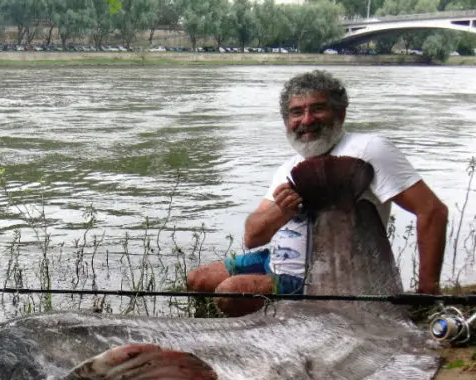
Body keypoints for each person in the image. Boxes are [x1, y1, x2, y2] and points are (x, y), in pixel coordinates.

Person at [186, 70, 448, 317]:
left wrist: (427, 293)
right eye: (297, 112)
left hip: (320, 278)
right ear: (287, 121)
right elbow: (253, 237)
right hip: (275, 262)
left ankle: (278, 333)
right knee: (198, 279)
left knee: (231, 292)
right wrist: (282, 211)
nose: (307, 120)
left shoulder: (370, 149)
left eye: (318, 108)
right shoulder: (288, 166)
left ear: (341, 113)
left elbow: (432, 210)